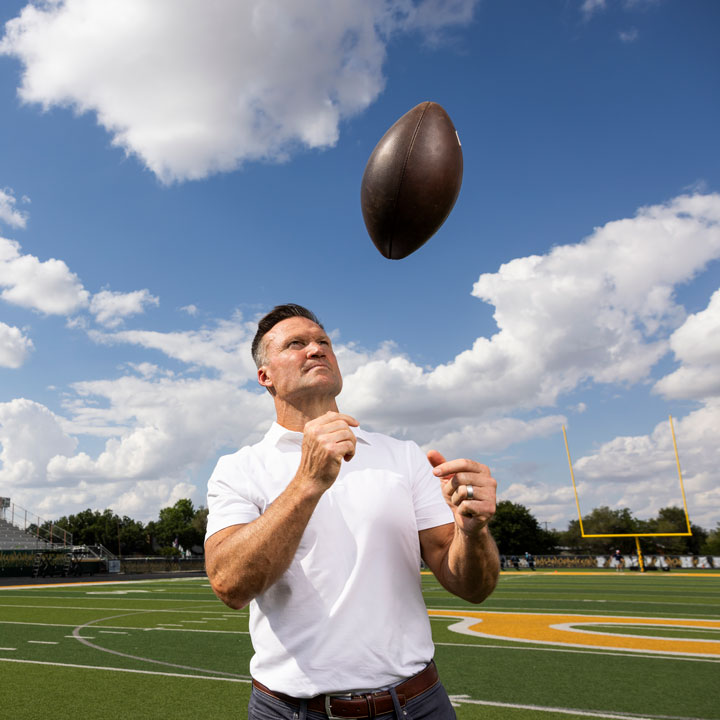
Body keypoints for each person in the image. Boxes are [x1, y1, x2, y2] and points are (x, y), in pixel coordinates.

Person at [205, 304, 500, 719]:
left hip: (416, 704)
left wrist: (472, 532)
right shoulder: (239, 468)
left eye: (323, 341)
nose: (316, 349)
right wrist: (307, 483)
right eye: (296, 344)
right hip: (291, 710)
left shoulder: (403, 455)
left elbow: (473, 586)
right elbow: (229, 586)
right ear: (265, 377)